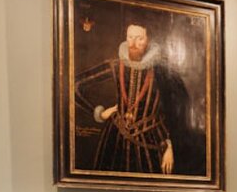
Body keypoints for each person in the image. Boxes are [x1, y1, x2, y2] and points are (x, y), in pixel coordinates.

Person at [74, 21, 199, 175]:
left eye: (139, 38)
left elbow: (179, 110)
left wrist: (170, 146)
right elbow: (76, 86)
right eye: (130, 37)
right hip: (115, 139)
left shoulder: (162, 71)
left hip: (151, 141)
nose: (133, 43)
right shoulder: (115, 66)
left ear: (148, 40)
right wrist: (99, 113)